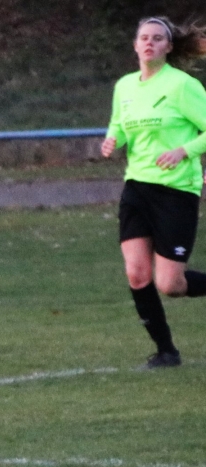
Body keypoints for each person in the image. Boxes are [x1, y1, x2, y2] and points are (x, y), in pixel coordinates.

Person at [102, 16, 206, 369]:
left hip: (176, 191)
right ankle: (166, 352)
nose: (149, 42)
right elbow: (120, 124)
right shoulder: (125, 86)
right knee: (137, 273)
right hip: (137, 187)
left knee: (170, 284)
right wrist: (112, 139)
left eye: (157, 38)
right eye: (144, 37)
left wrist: (184, 151)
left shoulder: (182, 86)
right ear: (135, 46)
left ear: (169, 46)